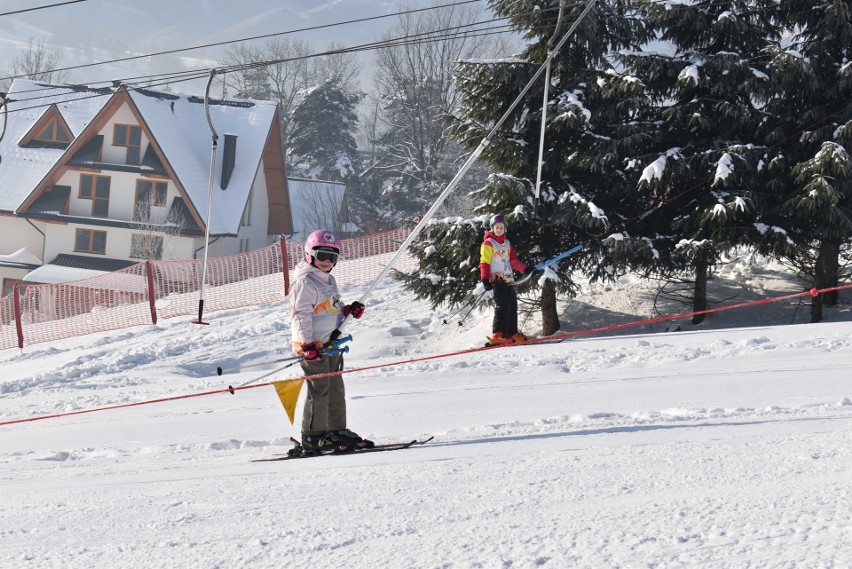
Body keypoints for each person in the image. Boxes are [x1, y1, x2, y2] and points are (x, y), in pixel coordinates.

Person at [289, 229, 370, 455]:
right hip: (312, 347)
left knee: (335, 387)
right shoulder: (305, 282)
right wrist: (307, 346)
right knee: (319, 389)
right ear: (310, 254)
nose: (326, 262)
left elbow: (330, 308)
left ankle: (335, 429)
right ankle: (313, 436)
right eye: (322, 256)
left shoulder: (329, 279)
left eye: (332, 257)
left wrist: (347, 311)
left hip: (331, 344)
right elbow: (300, 315)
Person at [479, 214, 533, 345]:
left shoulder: (507, 243)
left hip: (508, 280)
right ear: (492, 228)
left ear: (505, 228)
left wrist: (524, 269)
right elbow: (484, 262)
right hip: (497, 280)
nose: (499, 229)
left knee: (512, 307)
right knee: (503, 307)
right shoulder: (488, 243)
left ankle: (511, 332)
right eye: (496, 227)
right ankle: (498, 334)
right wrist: (485, 279)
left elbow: (513, 260)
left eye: (501, 227)